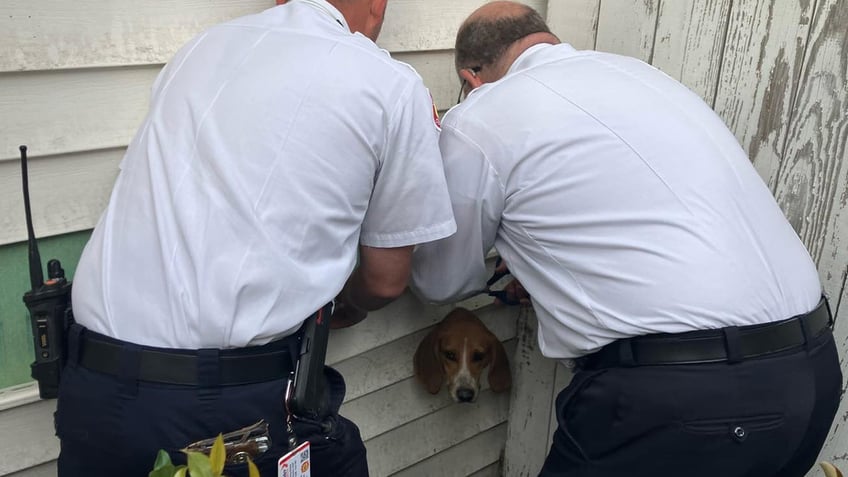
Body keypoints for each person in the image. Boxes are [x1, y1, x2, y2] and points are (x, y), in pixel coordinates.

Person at [411, 2, 842, 476]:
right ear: (544, 39)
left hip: (682, 399)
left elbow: (439, 279)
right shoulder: (638, 76)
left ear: (471, 78)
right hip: (814, 374)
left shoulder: (483, 113)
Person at [60, 0, 456, 476]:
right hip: (218, 406)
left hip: (91, 387)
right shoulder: (389, 83)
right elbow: (386, 280)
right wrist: (343, 305)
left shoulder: (201, 48)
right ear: (378, 5)